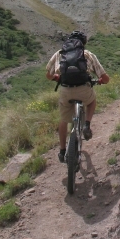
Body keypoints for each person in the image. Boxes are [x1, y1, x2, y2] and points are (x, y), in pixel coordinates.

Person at [45, 31, 110, 164]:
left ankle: (62, 151)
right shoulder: (87, 54)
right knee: (91, 102)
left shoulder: (60, 53)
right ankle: (86, 124)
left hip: (65, 90)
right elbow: (105, 78)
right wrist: (101, 81)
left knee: (64, 120)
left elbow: (48, 74)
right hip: (83, 89)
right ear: (83, 43)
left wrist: (56, 77)